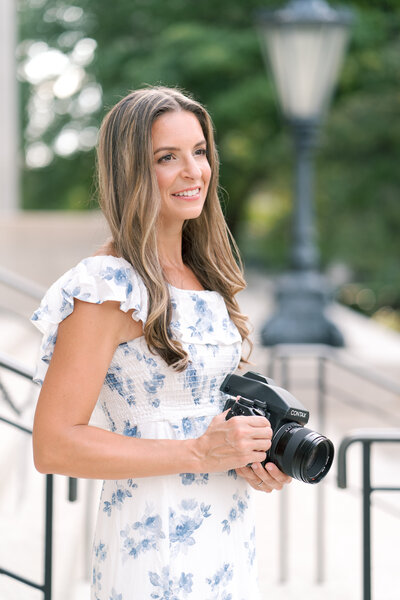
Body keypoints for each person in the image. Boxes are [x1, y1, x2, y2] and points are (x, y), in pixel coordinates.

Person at [31, 86, 291, 600]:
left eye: (199, 151)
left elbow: (205, 420)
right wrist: (197, 452)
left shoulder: (207, 279)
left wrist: (251, 457)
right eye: (166, 157)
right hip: (154, 543)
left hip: (227, 534)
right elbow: (53, 444)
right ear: (130, 171)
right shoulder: (107, 287)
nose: (193, 171)